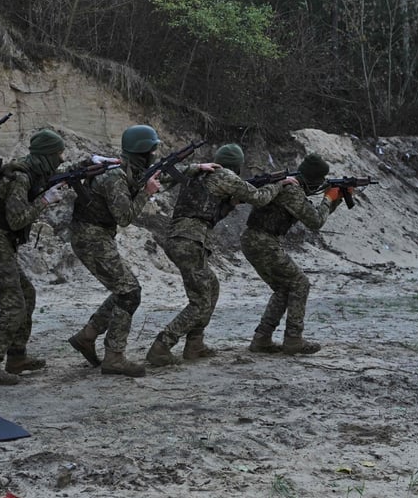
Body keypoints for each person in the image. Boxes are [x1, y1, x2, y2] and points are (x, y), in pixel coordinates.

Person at [146, 143, 296, 367]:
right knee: (200, 301)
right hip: (189, 241)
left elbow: (208, 213)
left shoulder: (200, 174)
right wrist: (279, 184)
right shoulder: (225, 175)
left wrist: (230, 202)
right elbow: (260, 198)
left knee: (212, 287)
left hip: (182, 240)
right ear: (237, 165)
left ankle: (195, 344)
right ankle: (162, 345)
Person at [0, 129, 72, 385]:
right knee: (13, 306)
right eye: (58, 153)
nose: (61, 158)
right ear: (47, 154)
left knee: (27, 294)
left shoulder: (31, 171)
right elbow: (17, 220)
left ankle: (16, 356)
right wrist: (44, 202)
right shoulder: (21, 177)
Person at [66, 125, 163, 378]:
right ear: (143, 151)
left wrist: (196, 168)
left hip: (93, 236)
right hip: (92, 238)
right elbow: (124, 217)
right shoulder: (115, 177)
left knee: (124, 290)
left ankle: (86, 337)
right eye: (152, 149)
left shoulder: (124, 169)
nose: (154, 154)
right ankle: (114, 357)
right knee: (130, 292)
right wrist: (146, 193)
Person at [241, 153, 348, 355]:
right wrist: (329, 198)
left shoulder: (292, 187)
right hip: (262, 240)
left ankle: (262, 338)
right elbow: (315, 221)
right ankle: (293, 340)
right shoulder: (292, 191)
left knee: (284, 288)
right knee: (300, 283)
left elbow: (315, 216)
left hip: (256, 239)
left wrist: (335, 200)